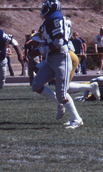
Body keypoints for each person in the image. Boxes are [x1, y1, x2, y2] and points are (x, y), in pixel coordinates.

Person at [30, 0, 83, 129]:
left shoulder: (56, 19)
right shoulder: (51, 20)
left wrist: (40, 50)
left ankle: (77, 119)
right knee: (36, 85)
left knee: (62, 94)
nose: (43, 10)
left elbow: (58, 42)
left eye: (45, 7)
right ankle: (60, 103)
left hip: (61, 59)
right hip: (51, 59)